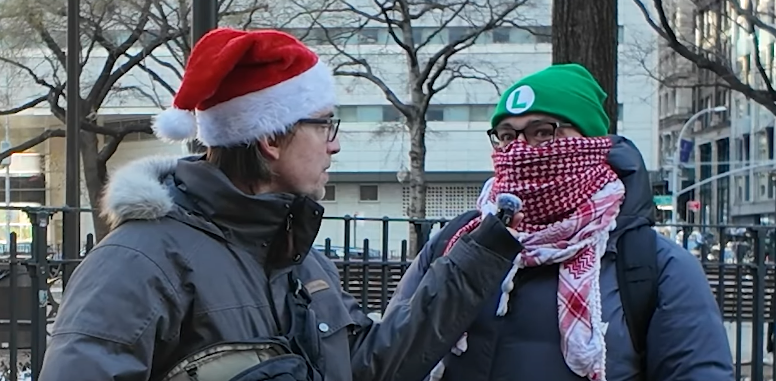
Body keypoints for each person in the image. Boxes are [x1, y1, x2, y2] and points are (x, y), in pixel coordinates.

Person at [38, 28, 526, 381]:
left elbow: (370, 367)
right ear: (271, 138)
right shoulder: (137, 262)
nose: (334, 145)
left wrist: (478, 255)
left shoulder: (303, 260)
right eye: (325, 125)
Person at [386, 64, 734, 381]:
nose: (520, 150)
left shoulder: (657, 267)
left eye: (542, 132)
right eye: (507, 136)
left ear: (590, 143)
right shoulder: (456, 243)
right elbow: (390, 356)